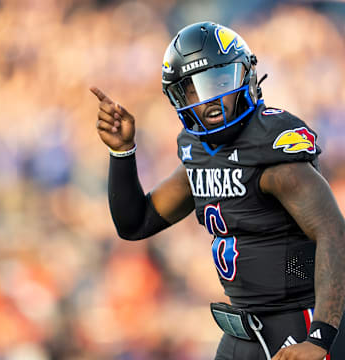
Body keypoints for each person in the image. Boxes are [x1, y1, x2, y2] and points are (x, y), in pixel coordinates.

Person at [90, 21, 345, 360]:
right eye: (195, 88)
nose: (210, 100)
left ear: (245, 75)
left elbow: (333, 233)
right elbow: (135, 224)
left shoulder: (273, 152)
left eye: (219, 80)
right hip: (242, 329)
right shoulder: (199, 155)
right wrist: (122, 152)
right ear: (178, 96)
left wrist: (320, 337)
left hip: (298, 321)